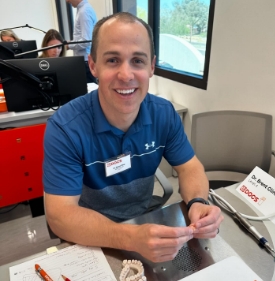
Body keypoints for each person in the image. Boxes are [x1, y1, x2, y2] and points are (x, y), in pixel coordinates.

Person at [43, 12, 223, 263]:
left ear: (151, 67)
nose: (126, 75)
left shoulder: (164, 114)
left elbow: (190, 167)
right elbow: (61, 216)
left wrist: (197, 202)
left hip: (143, 222)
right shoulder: (65, 128)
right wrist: (129, 237)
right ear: (93, 65)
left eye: (137, 60)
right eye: (113, 60)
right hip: (89, 235)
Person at [66, 0, 97, 83]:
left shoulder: (84, 11)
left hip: (85, 62)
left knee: (87, 90)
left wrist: (69, 46)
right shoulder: (83, 10)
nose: (66, 1)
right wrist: (71, 42)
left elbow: (86, 41)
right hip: (84, 61)